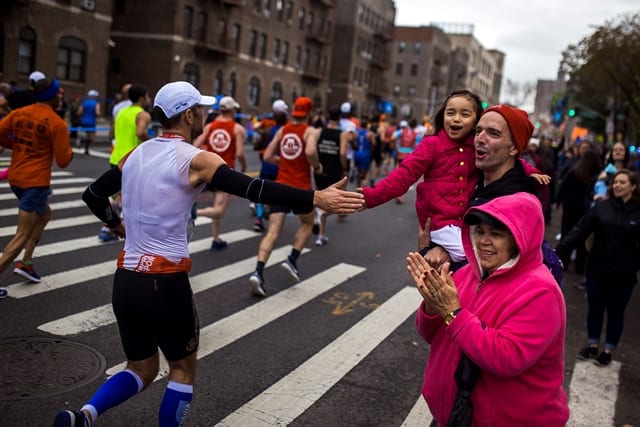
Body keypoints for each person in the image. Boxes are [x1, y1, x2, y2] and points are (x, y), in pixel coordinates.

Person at [52, 81, 363, 427]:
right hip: (164, 281)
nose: (205, 114)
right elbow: (252, 188)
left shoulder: (134, 155)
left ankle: (84, 415)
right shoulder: (195, 159)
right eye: (201, 109)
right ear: (188, 115)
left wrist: (116, 224)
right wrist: (315, 199)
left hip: (126, 278)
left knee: (140, 367)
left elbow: (93, 195)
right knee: (182, 369)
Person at [406, 192, 569, 426]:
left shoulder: (542, 292)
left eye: (496, 234)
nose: (483, 241)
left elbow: (506, 358)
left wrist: (452, 311)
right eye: (480, 232)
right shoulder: (466, 273)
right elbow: (431, 335)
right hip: (451, 415)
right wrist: (432, 306)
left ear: (519, 237)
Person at [421, 103, 552, 274]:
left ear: (513, 148)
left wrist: (429, 250)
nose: (480, 139)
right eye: (478, 131)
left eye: (493, 133)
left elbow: (488, 272)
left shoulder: (518, 203)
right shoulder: (472, 183)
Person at [556, 169, 640, 367]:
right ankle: (593, 345)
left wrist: (634, 264)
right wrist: (559, 249)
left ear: (634, 186)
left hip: (623, 276)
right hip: (597, 270)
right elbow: (580, 229)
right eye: (615, 182)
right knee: (595, 308)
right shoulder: (601, 207)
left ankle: (609, 349)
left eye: (622, 182)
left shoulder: (638, 212)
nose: (617, 185)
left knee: (616, 312)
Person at [0, 78, 73, 298]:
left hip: (17, 178)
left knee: (45, 215)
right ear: (53, 96)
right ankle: (16, 263)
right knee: (22, 233)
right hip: (35, 182)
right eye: (59, 93)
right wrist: (64, 150)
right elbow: (63, 160)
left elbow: (2, 134)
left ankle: (27, 262)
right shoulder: (56, 122)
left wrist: (18, 145)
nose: (61, 96)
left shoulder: (18, 114)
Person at [248, 96, 324, 297]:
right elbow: (309, 151)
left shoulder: (283, 130)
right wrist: (315, 166)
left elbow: (267, 156)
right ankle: (292, 259)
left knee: (272, 231)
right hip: (301, 188)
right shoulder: (310, 131)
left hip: (280, 186)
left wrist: (283, 161)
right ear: (308, 113)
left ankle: (258, 272)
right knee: (308, 223)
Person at [96, 85, 152, 242]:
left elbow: (111, 132)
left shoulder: (121, 112)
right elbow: (140, 133)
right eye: (147, 95)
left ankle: (110, 227)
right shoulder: (142, 114)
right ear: (141, 98)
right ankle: (108, 228)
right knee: (127, 197)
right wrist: (153, 142)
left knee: (118, 196)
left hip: (116, 157)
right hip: (132, 160)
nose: (149, 99)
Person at [194, 95, 247, 251]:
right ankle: (194, 213)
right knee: (219, 211)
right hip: (224, 172)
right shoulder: (238, 129)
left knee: (216, 207)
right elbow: (239, 154)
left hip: (208, 171)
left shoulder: (210, 126)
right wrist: (243, 168)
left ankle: (215, 238)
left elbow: (196, 144)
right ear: (232, 110)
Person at [554, 150, 602, 275]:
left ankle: (564, 260)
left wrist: (557, 200)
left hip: (570, 206)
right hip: (585, 210)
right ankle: (579, 266)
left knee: (567, 233)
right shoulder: (596, 175)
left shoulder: (574, 171)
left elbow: (564, 186)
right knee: (582, 236)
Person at [313, 106, 353, 246]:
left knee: (320, 197)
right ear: (340, 118)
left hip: (320, 170)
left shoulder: (319, 131)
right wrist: (344, 167)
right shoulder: (342, 134)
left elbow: (313, 149)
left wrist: (317, 164)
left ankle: (318, 223)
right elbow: (342, 153)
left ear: (328, 116)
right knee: (330, 201)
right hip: (334, 170)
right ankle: (321, 234)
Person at [252, 99, 289, 232]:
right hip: (281, 169)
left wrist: (261, 138)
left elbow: (257, 146)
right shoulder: (289, 133)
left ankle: (259, 219)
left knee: (262, 193)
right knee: (278, 196)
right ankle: (274, 222)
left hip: (267, 166)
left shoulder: (268, 131)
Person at [78, 89, 102, 155]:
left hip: (84, 120)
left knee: (87, 136)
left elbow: (79, 112)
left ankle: (84, 147)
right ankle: (83, 144)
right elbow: (98, 113)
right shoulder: (96, 103)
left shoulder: (84, 103)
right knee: (92, 137)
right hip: (91, 121)